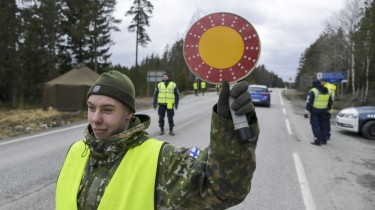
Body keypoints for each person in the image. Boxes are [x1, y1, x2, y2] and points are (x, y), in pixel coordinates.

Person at [55, 70, 260, 209]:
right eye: (91, 108)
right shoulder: (76, 150)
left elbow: (223, 189)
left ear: (129, 113)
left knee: (167, 119)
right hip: (161, 106)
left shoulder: (162, 158)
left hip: (172, 110)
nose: (95, 119)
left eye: (107, 110)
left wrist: (228, 131)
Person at [305, 79, 333, 146]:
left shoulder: (313, 91)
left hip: (315, 111)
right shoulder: (328, 91)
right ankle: (324, 140)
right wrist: (328, 112)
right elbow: (330, 103)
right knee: (323, 126)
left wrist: (307, 112)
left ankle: (317, 140)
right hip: (324, 111)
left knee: (315, 126)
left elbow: (309, 103)